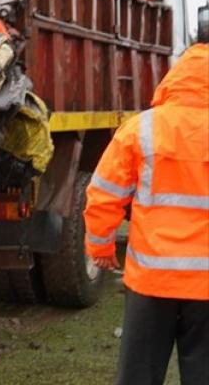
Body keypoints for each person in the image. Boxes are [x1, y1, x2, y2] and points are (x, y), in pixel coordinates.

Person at [84, 43, 209, 385]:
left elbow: (103, 195)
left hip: (151, 282)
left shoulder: (142, 129)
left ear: (175, 78)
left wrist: (100, 248)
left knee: (139, 375)